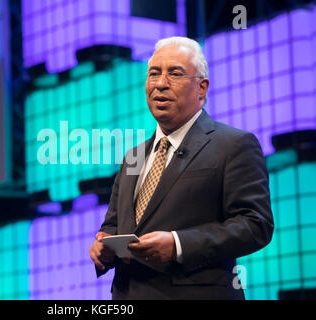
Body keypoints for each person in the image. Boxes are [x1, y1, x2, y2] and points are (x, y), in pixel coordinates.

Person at [89, 36, 274, 300]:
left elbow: (256, 225)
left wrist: (178, 244)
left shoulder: (234, 145)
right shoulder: (133, 156)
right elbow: (113, 226)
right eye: (154, 73)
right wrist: (102, 248)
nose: (160, 84)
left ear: (202, 88)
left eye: (174, 73)